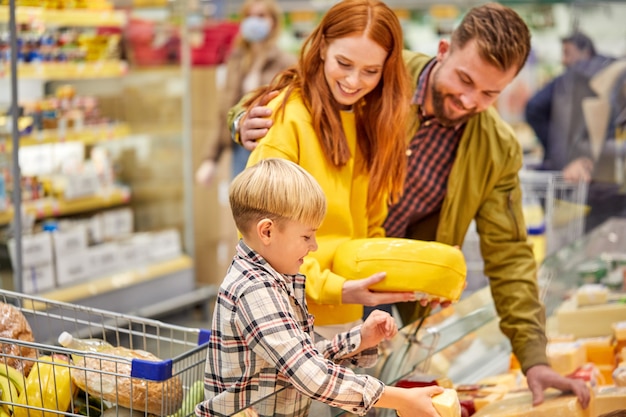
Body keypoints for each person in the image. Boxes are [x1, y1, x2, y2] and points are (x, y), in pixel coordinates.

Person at [228, 2, 591, 409]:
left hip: (376, 296)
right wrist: (240, 119)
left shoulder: (495, 148)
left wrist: (533, 359)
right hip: (307, 285)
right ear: (442, 51)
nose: (470, 100)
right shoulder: (379, 77)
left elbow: (510, 257)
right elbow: (295, 96)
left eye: (490, 93)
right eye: (464, 79)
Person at [195, 158, 444, 417]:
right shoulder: (255, 291)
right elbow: (311, 375)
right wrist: (401, 399)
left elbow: (299, 358)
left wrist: (359, 340)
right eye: (306, 236)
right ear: (267, 232)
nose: (314, 246)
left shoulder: (272, 278)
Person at [240, 0, 418, 340]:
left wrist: (417, 278)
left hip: (346, 316)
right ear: (322, 47)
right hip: (285, 319)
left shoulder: (373, 123)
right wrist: (337, 289)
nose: (353, 81)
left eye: (371, 71)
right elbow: (262, 237)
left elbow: (370, 227)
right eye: (344, 63)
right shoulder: (286, 118)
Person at [194, 0, 296, 187]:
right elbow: (225, 110)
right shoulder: (236, 61)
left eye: (260, 16)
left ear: (273, 22)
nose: (253, 21)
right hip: (240, 146)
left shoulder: (287, 63)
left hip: (272, 147)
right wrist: (210, 159)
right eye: (249, 16)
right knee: (242, 207)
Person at [525, 32, 620, 232]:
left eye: (568, 53)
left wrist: (557, 152)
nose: (564, 60)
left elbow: (534, 107)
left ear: (585, 51)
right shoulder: (613, 71)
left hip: (578, 186)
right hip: (608, 190)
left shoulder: (574, 76)